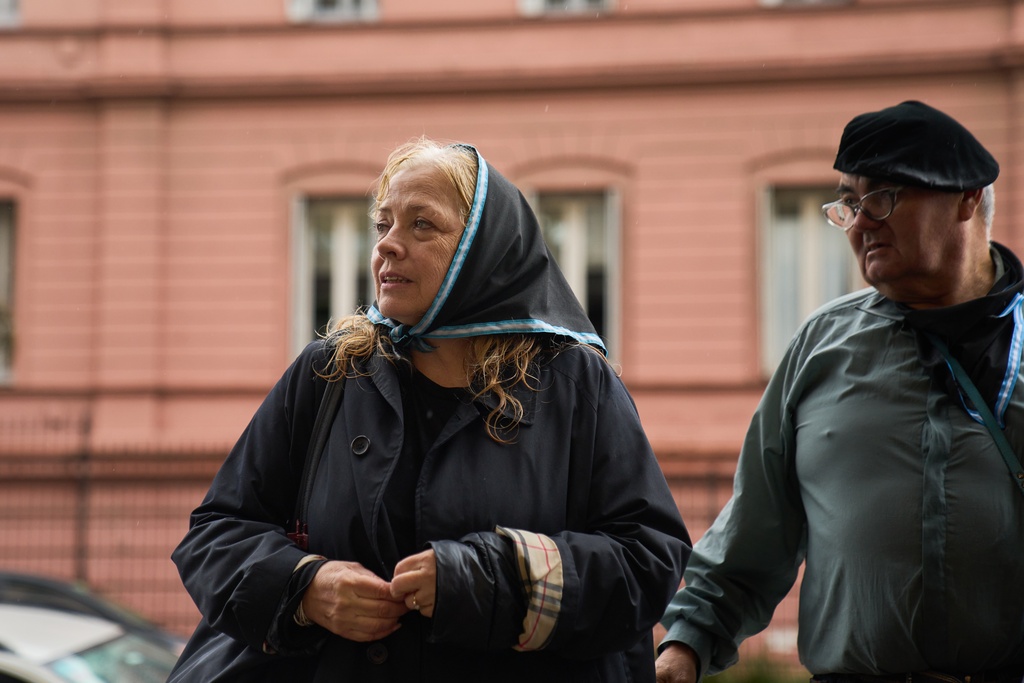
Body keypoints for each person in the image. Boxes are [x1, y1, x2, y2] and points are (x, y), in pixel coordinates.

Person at [170, 137, 691, 682]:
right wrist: (306, 589)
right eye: (383, 224)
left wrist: (488, 581)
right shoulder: (331, 371)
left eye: (422, 225)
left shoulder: (575, 383)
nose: (387, 246)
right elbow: (215, 533)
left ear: (486, 249)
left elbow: (648, 562)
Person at [656, 100, 1024, 683]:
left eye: (882, 196)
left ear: (967, 197)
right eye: (849, 203)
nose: (860, 222)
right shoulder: (821, 346)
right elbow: (756, 528)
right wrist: (687, 645)